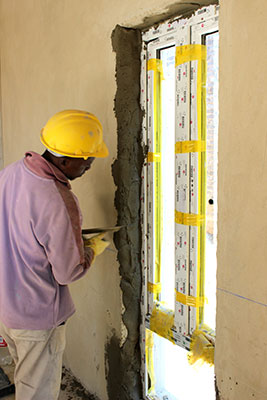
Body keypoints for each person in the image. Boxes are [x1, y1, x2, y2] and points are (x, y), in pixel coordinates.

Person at [0, 109, 110, 399]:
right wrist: (90, 249)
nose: (89, 165)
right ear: (63, 159)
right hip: (37, 317)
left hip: (9, 306)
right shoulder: (58, 199)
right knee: (37, 393)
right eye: (86, 159)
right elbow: (68, 271)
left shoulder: (11, 173)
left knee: (26, 379)